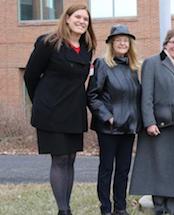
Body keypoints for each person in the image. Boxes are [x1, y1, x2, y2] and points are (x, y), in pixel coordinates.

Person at [23, 4, 96, 215]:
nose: (82, 21)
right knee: (60, 159)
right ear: (67, 19)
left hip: (74, 112)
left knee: (71, 158)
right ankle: (63, 211)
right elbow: (30, 76)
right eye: (78, 17)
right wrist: (41, 102)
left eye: (86, 19)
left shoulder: (87, 48)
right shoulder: (49, 43)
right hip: (50, 112)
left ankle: (66, 206)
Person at [129, 27, 174, 215]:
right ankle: (160, 207)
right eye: (173, 42)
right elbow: (146, 96)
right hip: (161, 124)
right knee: (159, 165)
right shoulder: (152, 63)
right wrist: (149, 121)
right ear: (165, 44)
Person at [87, 24, 140, 215]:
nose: (122, 43)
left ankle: (120, 207)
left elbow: (135, 97)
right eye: (118, 40)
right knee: (107, 169)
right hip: (109, 128)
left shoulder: (133, 68)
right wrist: (107, 117)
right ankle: (106, 208)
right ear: (111, 43)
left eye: (125, 40)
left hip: (128, 128)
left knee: (123, 170)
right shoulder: (102, 64)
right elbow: (92, 95)